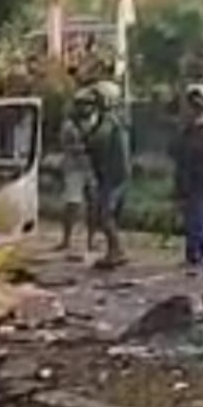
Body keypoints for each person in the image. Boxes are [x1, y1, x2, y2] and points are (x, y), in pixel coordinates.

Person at [172, 83, 203, 267]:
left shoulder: (202, 125)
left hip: (199, 176)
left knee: (198, 214)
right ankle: (201, 249)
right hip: (197, 175)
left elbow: (193, 152)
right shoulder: (196, 124)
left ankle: (199, 251)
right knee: (201, 213)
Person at [84, 81, 130, 270]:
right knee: (105, 215)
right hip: (112, 173)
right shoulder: (113, 119)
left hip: (113, 174)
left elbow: (97, 141)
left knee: (105, 215)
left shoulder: (109, 121)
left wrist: (87, 135)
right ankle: (115, 250)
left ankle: (117, 251)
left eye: (97, 99)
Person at [57, 88, 97, 256]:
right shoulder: (69, 125)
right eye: (82, 104)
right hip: (74, 167)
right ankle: (66, 239)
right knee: (72, 204)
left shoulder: (96, 121)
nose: (86, 107)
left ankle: (91, 240)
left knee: (93, 204)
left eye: (89, 104)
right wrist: (83, 148)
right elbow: (65, 145)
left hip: (92, 167)